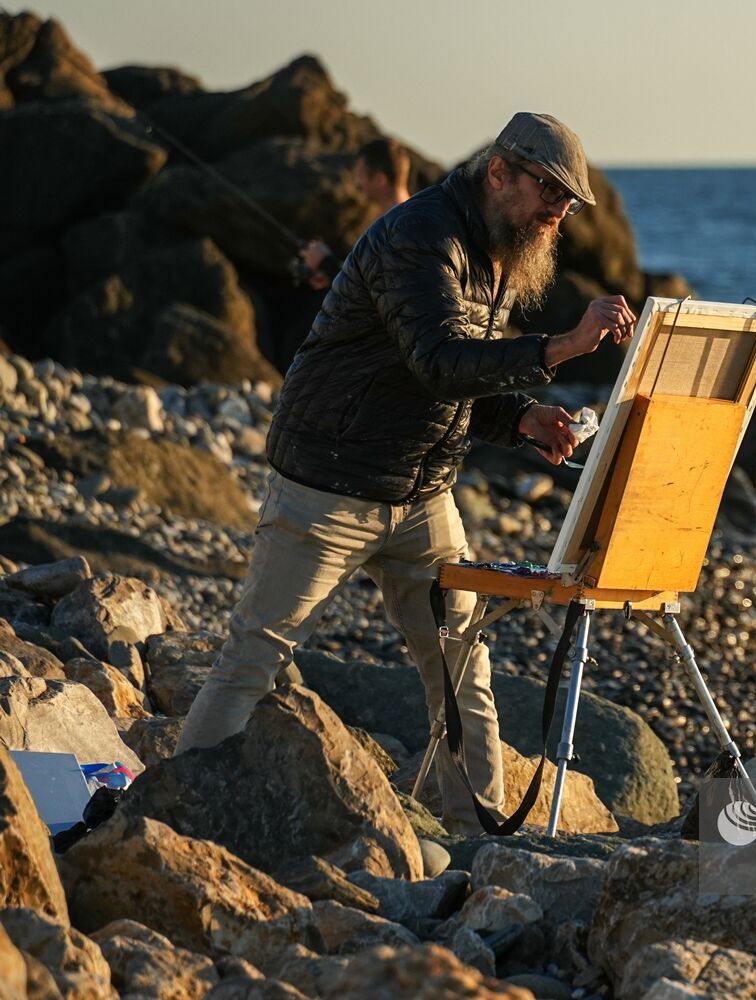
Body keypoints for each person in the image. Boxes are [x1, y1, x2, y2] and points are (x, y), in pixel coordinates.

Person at [176, 112, 638, 837]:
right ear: (498, 173)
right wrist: (564, 347)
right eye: (548, 189)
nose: (558, 211)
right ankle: (177, 820)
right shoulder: (419, 236)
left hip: (422, 494)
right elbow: (439, 359)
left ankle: (478, 845)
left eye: (569, 201)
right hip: (329, 480)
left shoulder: (504, 249)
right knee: (254, 657)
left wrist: (515, 418)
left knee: (462, 670)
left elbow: (449, 385)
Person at [299, 137, 414, 289]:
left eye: (360, 175)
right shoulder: (408, 219)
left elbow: (381, 288)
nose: (356, 182)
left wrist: (326, 263)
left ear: (380, 179)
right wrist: (334, 275)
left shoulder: (401, 227)